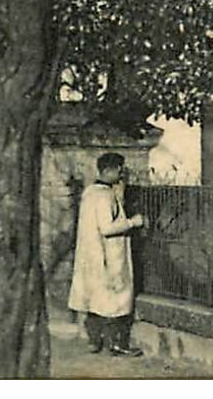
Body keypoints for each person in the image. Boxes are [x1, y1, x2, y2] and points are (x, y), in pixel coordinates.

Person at [68, 151, 147, 356]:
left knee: (96, 299)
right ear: (109, 170)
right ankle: (118, 344)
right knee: (117, 301)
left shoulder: (90, 192)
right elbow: (107, 227)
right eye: (119, 169)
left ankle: (95, 341)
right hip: (110, 256)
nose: (121, 174)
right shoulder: (105, 196)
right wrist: (133, 222)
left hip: (92, 255)